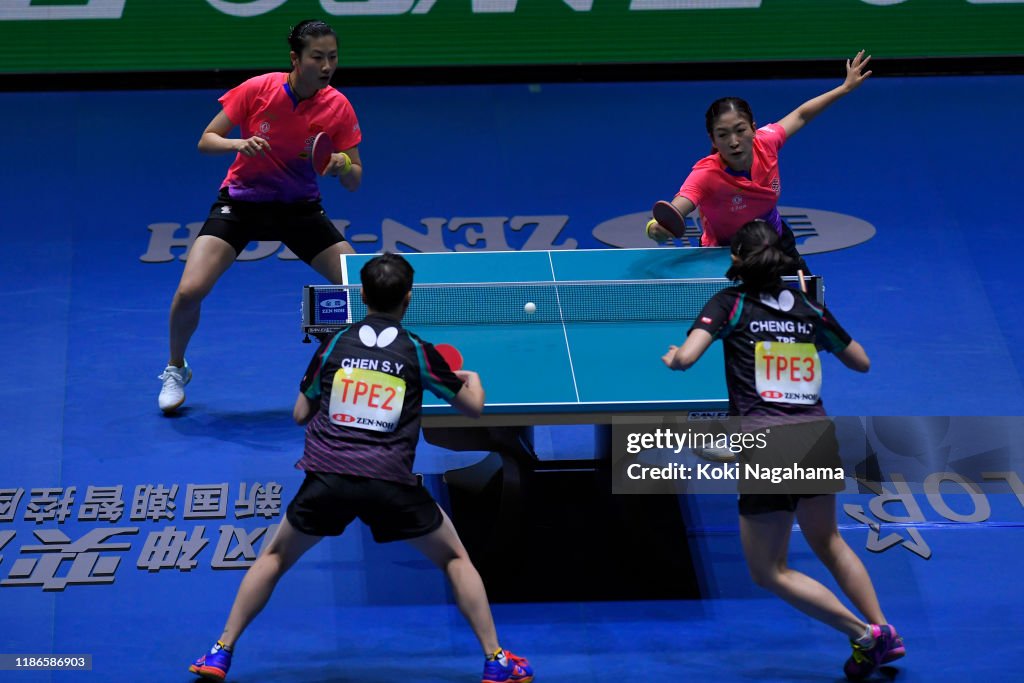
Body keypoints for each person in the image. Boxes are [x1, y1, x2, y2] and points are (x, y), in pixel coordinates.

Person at [187, 253, 534, 683]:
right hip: (389, 482)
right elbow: (474, 408)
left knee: (275, 556)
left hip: (327, 478)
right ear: (409, 298)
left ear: (363, 296)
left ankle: (220, 651)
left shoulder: (333, 345)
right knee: (455, 559)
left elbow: (299, 414)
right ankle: (495, 660)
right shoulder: (417, 353)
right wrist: (471, 378)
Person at [660, 220, 904, 681]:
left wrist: (674, 356)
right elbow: (862, 362)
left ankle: (863, 634)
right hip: (816, 437)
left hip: (768, 447)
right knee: (828, 541)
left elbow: (687, 359)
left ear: (737, 260)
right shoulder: (809, 307)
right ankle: (886, 630)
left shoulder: (728, 305)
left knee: (768, 571)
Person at [159, 19, 364, 414]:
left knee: (362, 286)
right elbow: (206, 140)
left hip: (299, 209)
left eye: (333, 57)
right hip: (243, 202)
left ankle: (361, 372)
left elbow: (355, 179)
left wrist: (340, 164)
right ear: (295, 58)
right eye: (317, 57)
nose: (326, 66)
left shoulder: (338, 106)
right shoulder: (259, 89)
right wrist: (238, 142)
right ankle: (175, 367)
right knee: (189, 291)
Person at [646, 51, 873, 274]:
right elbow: (678, 206)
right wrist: (656, 227)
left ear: (754, 129)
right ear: (713, 140)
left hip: (773, 240)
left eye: (740, 130)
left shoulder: (767, 142)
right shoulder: (706, 174)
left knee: (807, 301)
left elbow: (801, 114)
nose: (734, 142)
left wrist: (844, 88)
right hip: (724, 253)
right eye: (723, 135)